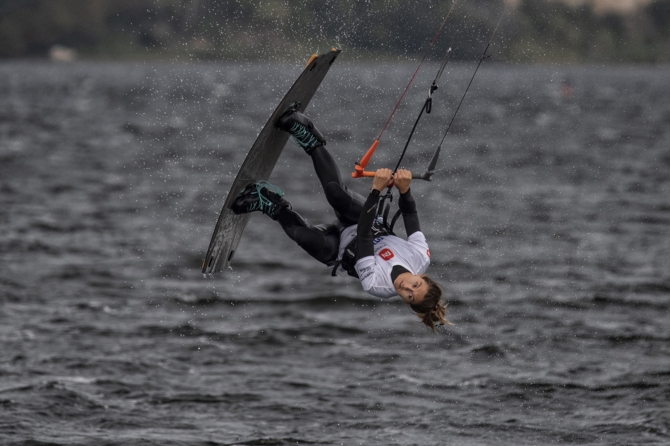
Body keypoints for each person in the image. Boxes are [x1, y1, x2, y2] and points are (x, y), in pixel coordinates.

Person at [231, 106, 449, 331]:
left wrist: (375, 191)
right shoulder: (420, 256)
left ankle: (268, 202)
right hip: (369, 223)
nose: (406, 287)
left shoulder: (378, 286)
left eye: (409, 296)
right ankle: (309, 137)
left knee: (304, 236)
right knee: (336, 193)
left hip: (341, 249)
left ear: (405, 301)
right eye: (415, 285)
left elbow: (363, 238)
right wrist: (404, 190)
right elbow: (410, 215)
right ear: (422, 275)